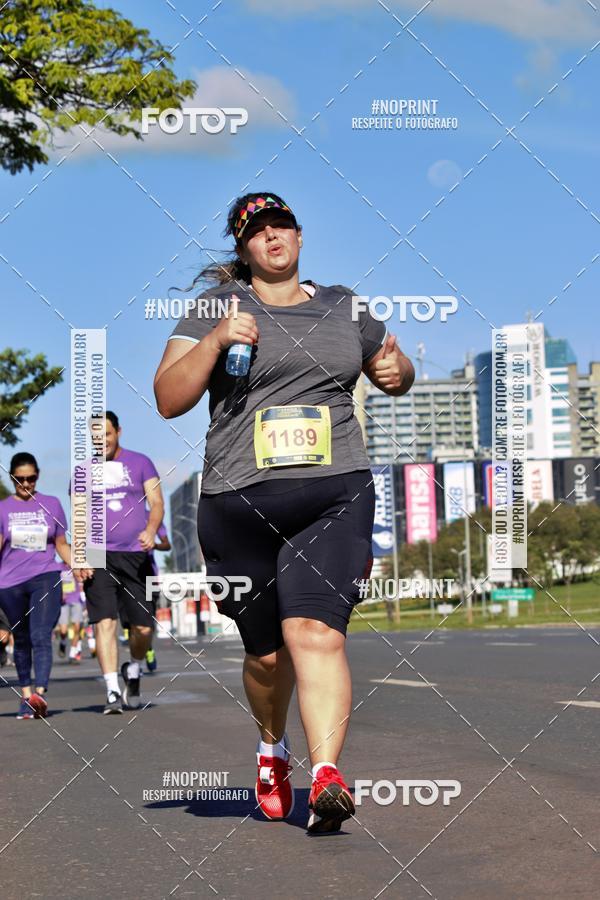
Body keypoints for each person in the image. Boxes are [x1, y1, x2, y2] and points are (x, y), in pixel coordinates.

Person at [154, 192, 414, 832]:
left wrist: (396, 369)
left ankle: (326, 776)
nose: (272, 236)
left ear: (299, 235)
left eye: (281, 225)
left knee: (315, 632)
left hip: (334, 490)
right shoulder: (217, 307)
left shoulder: (344, 305)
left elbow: (396, 371)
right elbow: (167, 398)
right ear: (243, 248)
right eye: (257, 231)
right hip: (238, 499)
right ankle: (272, 749)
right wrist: (217, 340)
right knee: (268, 655)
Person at [74, 412, 164, 714]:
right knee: (104, 622)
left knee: (143, 629)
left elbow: (157, 503)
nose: (102, 441)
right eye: (96, 437)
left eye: (107, 435)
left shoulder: (141, 463)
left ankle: (134, 669)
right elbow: (79, 518)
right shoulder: (82, 471)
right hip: (98, 554)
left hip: (136, 555)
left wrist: (151, 529)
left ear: (118, 432)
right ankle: (112, 689)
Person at [0, 452, 78, 719]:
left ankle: (40, 694)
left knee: (41, 635)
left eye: (31, 478)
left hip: (45, 576)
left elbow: (61, 544)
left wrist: (79, 567)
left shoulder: (52, 504)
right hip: (9, 583)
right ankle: (26, 696)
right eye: (20, 479)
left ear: (37, 476)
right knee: (21, 639)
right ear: (12, 478)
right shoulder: (3, 509)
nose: (26, 484)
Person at [145, 523, 171, 673]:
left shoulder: (153, 517)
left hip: (150, 577)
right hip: (122, 575)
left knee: (147, 620)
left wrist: (153, 545)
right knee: (129, 623)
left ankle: (148, 648)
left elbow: (167, 545)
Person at [56, 564, 86, 663]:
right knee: (63, 631)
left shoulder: (76, 566)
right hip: (63, 602)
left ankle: (72, 654)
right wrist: (60, 592)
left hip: (76, 600)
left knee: (77, 628)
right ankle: (63, 642)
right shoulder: (58, 567)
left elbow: (82, 582)